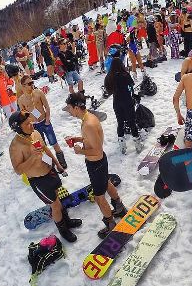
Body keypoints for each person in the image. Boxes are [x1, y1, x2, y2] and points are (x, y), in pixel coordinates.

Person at [8, 111, 79, 242]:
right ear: (18, 127)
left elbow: (45, 149)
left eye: (30, 121)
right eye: (27, 124)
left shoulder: (35, 133)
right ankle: (63, 231)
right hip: (38, 180)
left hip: (50, 171)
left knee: (58, 199)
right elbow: (18, 170)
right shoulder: (16, 146)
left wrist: (57, 164)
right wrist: (32, 157)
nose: (32, 124)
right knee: (55, 206)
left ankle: (67, 221)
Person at [64, 93, 127, 238]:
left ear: (76, 107)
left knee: (99, 198)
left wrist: (80, 151)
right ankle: (119, 207)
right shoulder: (88, 117)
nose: (69, 111)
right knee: (105, 182)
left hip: (96, 163)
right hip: (99, 162)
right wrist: (78, 138)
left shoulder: (88, 124)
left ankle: (110, 224)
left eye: (69, 108)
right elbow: (94, 139)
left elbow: (97, 149)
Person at [17, 75, 68, 169]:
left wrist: (47, 120)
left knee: (54, 143)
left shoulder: (39, 92)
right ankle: (50, 165)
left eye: (32, 82)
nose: (32, 85)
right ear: (23, 86)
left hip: (45, 122)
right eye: (29, 83)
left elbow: (47, 107)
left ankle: (62, 162)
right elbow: (24, 116)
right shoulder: (21, 100)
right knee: (41, 148)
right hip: (34, 127)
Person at [104, 58, 143, 154]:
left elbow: (107, 90)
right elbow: (132, 85)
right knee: (131, 122)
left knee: (120, 123)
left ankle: (122, 146)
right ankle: (137, 145)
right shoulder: (125, 74)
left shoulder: (109, 76)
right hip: (127, 100)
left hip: (116, 102)